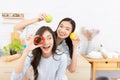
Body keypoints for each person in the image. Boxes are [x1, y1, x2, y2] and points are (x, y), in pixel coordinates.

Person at [14, 13, 80, 73]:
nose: (62, 30)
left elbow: (72, 70)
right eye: (61, 26)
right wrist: (37, 19)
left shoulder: (65, 49)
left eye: (67, 29)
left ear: (71, 33)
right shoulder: (45, 35)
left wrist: (75, 46)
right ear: (58, 26)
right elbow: (17, 27)